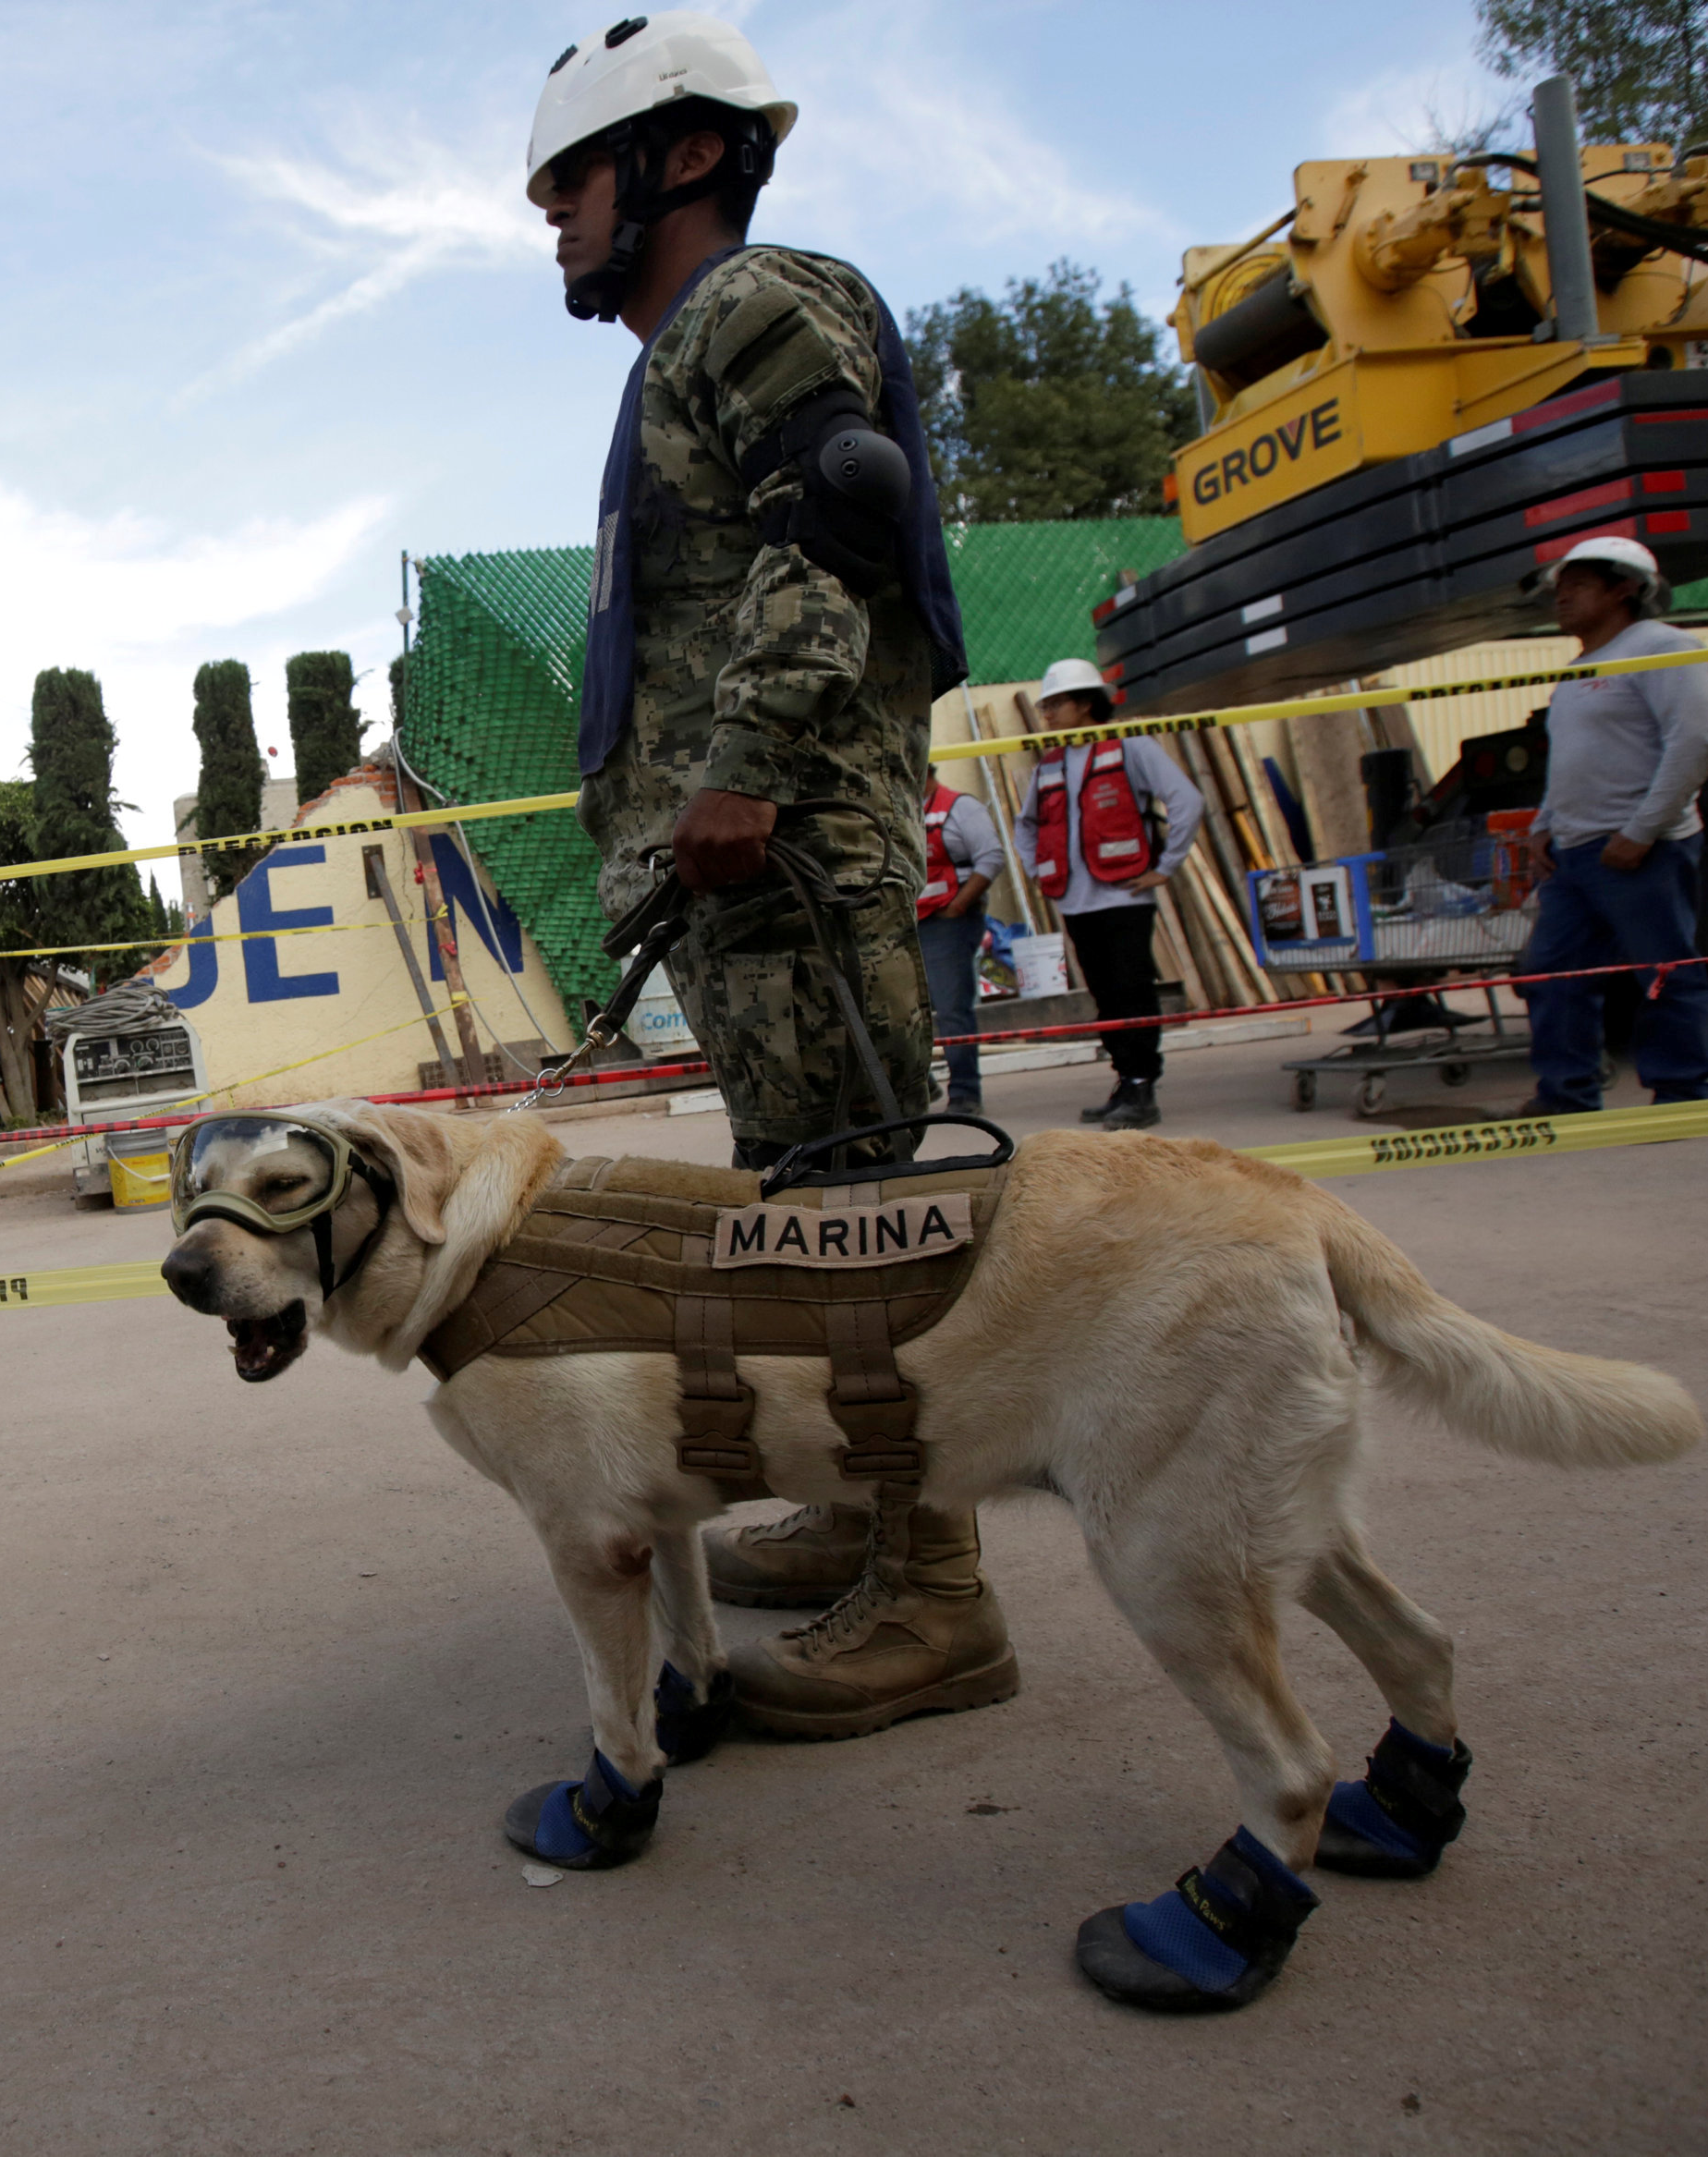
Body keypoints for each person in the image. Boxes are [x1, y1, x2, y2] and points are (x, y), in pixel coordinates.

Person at [526, 15, 1014, 1755]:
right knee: (811, 1209)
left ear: (679, 156)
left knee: (866, 1217)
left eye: (571, 178)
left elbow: (837, 521)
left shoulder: (750, 300)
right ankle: (875, 1509)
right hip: (747, 863)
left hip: (783, 839)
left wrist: (737, 769)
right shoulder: (682, 349)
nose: (553, 217)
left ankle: (940, 1591)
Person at [1507, 534, 1708, 1115]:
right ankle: (1566, 1096)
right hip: (1576, 854)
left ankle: (1684, 1095)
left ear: (1624, 588)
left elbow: (1695, 743)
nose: (1562, 599)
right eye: (1561, 589)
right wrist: (1545, 824)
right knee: (1552, 976)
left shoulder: (1664, 647)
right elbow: (1571, 755)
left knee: (1664, 974)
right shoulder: (1579, 669)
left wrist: (1642, 831)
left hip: (1641, 851)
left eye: (1577, 585)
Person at [1013, 658, 1203, 1130]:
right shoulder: (1052, 762)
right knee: (1105, 995)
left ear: (1085, 704)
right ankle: (1125, 1080)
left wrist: (1164, 868)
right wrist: (1040, 869)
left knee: (1131, 991)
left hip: (1123, 898)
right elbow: (1026, 825)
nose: (1048, 714)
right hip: (1076, 900)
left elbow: (1186, 800)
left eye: (1056, 704)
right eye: (1045, 705)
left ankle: (1142, 1085)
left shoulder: (1131, 747)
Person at [917, 775, 1005, 1114]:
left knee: (952, 1010)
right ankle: (922, 1085)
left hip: (947, 923)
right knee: (903, 1013)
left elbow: (991, 858)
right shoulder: (899, 810)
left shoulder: (959, 808)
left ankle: (965, 1092)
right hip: (908, 922)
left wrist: (958, 906)